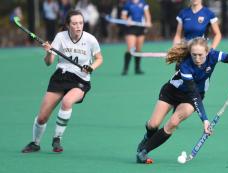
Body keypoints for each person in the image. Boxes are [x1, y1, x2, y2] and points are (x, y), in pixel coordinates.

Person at [135, 37, 228, 164]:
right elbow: (193, 93)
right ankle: (147, 138)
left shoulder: (214, 55)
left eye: (200, 55)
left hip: (189, 99)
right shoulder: (185, 66)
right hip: (172, 92)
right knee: (153, 125)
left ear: (207, 52)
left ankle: (144, 151)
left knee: (173, 122)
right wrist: (205, 120)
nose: (197, 59)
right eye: (194, 55)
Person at [21, 10, 103, 154]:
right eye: (74, 23)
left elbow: (99, 59)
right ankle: (35, 143)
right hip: (60, 77)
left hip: (81, 79)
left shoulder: (90, 39)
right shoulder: (60, 37)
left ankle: (57, 138)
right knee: (42, 118)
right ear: (67, 25)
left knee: (67, 102)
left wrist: (91, 68)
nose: (78, 26)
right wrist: (48, 51)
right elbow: (48, 63)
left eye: (81, 23)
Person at [120, 0, 151, 75]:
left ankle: (137, 68)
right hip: (131, 28)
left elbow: (147, 14)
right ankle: (125, 68)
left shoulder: (143, 3)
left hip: (141, 28)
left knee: (138, 49)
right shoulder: (128, 4)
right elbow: (123, 16)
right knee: (131, 48)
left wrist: (148, 22)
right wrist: (127, 20)